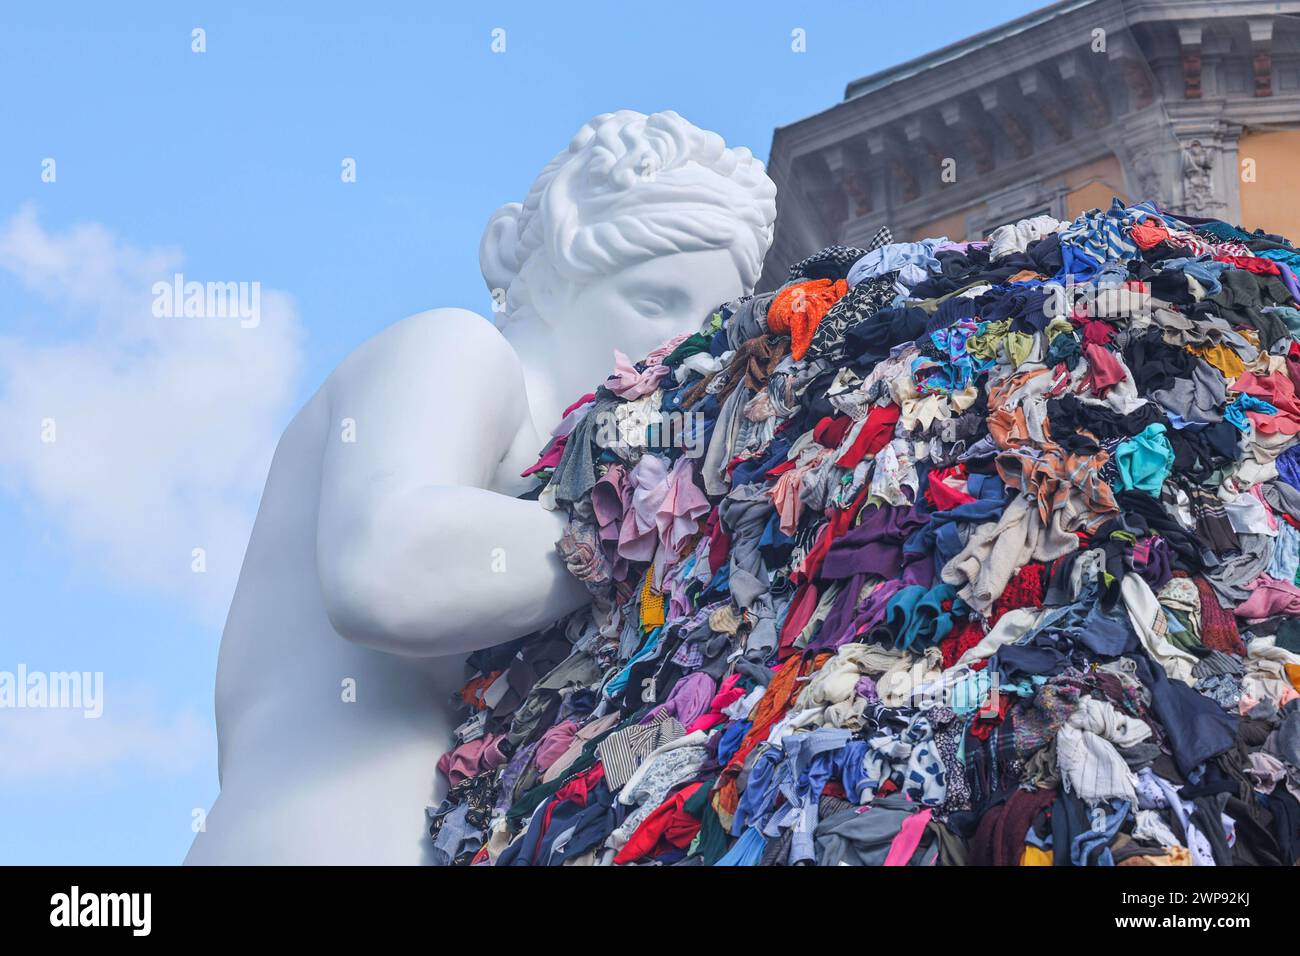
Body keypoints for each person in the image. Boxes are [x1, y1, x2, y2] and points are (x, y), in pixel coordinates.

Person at [184, 110, 777, 864]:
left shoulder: (562, 465)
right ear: (519, 260)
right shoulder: (456, 349)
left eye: (706, 328)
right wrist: (642, 521)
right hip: (327, 829)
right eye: (653, 303)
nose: (676, 354)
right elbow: (387, 569)